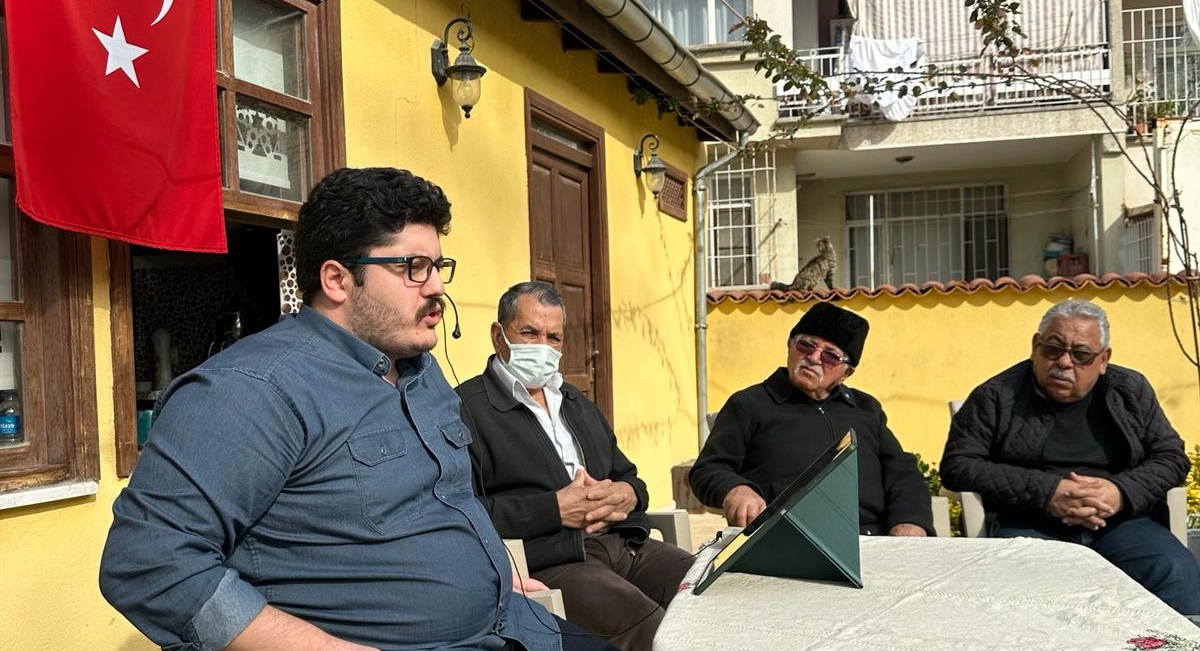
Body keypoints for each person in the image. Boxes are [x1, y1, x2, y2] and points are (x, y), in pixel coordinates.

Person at [100, 167, 612, 651]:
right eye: (412, 267)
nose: (436, 287)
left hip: (515, 624)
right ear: (337, 280)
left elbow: (445, 497)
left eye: (437, 267)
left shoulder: (420, 368)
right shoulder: (252, 390)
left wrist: (492, 568)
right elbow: (147, 563)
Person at [457, 282, 694, 651]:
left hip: (625, 543)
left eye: (553, 337)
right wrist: (552, 509)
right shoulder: (465, 410)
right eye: (529, 333)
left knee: (712, 592)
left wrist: (626, 493)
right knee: (655, 628)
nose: (543, 346)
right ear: (498, 336)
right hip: (553, 559)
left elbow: (631, 478)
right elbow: (460, 511)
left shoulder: (573, 401)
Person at [941, 299, 1200, 616]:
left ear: (1103, 359)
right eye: (1052, 349)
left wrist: (1119, 492)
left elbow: (1171, 456)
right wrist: (1049, 493)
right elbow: (958, 465)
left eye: (1080, 354)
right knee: (1025, 592)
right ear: (1035, 346)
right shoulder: (996, 395)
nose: (1064, 362)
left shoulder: (1129, 389)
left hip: (1121, 522)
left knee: (1175, 570)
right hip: (1030, 522)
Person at [690, 301, 934, 536]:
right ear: (790, 345)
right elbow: (709, 468)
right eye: (806, 346)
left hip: (869, 536)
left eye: (830, 356)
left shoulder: (866, 409)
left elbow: (902, 472)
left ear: (847, 372)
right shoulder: (750, 404)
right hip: (785, 535)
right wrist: (736, 489)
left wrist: (909, 520)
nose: (815, 358)